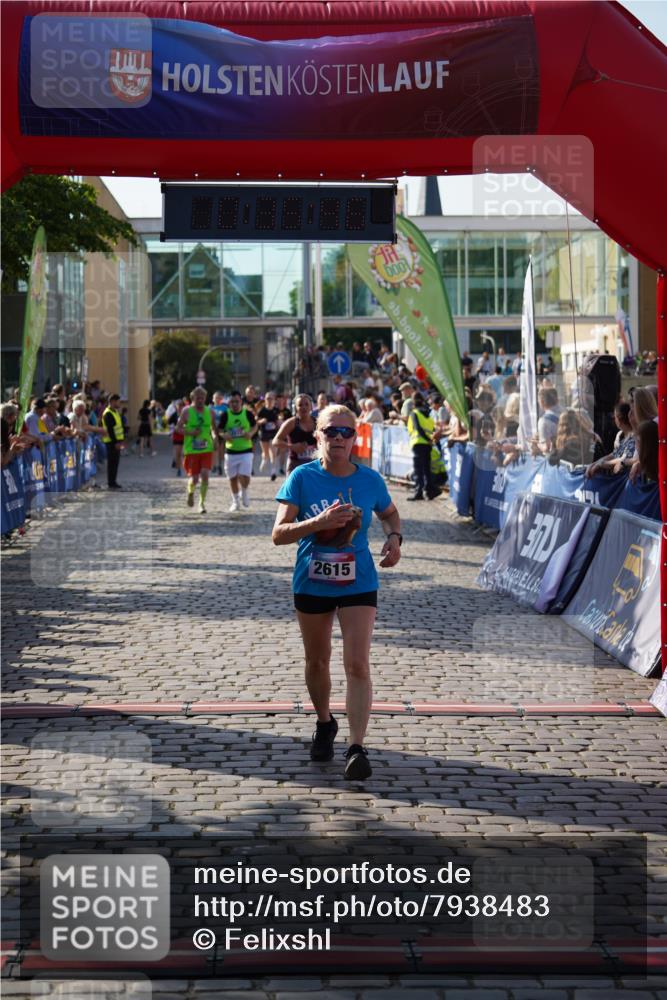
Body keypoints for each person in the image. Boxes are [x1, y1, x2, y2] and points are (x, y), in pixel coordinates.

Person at [272, 404, 402, 780]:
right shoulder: (302, 477)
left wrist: (394, 537)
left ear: (356, 436)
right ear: (318, 435)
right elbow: (279, 534)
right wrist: (319, 522)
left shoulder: (370, 480)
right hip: (312, 580)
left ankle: (357, 746)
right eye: (332, 431)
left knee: (358, 664)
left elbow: (390, 513)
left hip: (358, 580)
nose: (340, 438)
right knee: (317, 661)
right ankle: (325, 721)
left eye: (347, 432)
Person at [177, 387, 216, 513]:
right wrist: (191, 432)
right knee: (194, 479)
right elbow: (178, 429)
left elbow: (214, 429)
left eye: (202, 398)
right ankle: (190, 492)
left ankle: (201, 504)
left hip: (206, 449)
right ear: (192, 398)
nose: (200, 400)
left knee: (205, 475)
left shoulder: (209, 412)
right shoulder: (186, 411)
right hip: (192, 450)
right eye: (197, 398)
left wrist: (215, 439)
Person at [219, 389, 258, 511]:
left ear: (241, 401)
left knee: (244, 476)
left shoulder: (247, 414)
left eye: (236, 401)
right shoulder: (225, 415)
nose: (234, 404)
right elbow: (219, 430)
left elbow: (255, 426)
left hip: (246, 450)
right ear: (229, 403)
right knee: (232, 478)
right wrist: (224, 435)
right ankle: (235, 501)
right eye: (232, 402)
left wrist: (250, 433)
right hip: (230, 451)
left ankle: (244, 491)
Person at [406, 392, 443, 500]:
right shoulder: (428, 415)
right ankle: (430, 490)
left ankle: (419, 493)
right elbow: (432, 430)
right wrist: (430, 440)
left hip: (418, 443)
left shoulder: (415, 413)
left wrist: (426, 439)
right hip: (428, 444)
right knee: (426, 469)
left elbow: (418, 428)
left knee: (418, 469)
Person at [273, 394, 318, 476]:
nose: (304, 407)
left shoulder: (317, 422)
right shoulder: (291, 423)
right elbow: (275, 441)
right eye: (300, 405)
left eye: (306, 404)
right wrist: (292, 446)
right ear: (295, 408)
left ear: (311, 407)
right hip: (295, 465)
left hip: (314, 465)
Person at [102, 393, 125, 490]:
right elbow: (110, 430)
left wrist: (121, 441)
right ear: (112, 402)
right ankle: (111, 482)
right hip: (111, 442)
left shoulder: (115, 412)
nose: (119, 403)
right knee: (112, 463)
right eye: (118, 401)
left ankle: (113, 481)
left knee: (115, 463)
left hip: (117, 441)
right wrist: (116, 442)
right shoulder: (108, 413)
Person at [256, 391, 280, 480]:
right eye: (267, 398)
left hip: (274, 434)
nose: (269, 400)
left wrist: (279, 423)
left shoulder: (276, 410)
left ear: (274, 400)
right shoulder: (262, 410)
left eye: (271, 398)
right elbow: (256, 421)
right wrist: (261, 421)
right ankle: (264, 459)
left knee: (273, 452)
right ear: (265, 400)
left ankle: (273, 472)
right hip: (264, 433)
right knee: (266, 453)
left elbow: (280, 421)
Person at [211, 391, 227, 475]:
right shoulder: (210, 408)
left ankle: (220, 465)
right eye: (216, 398)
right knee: (214, 447)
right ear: (213, 399)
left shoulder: (225, 408)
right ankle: (214, 465)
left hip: (222, 430)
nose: (218, 399)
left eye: (219, 398)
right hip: (213, 430)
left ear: (222, 399)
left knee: (221, 449)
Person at [168, 399, 185, 476]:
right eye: (178, 405)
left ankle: (184, 467)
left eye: (181, 405)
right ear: (176, 406)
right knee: (178, 453)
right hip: (177, 435)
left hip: (185, 435)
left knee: (184, 453)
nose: (180, 407)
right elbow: (169, 423)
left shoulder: (186, 414)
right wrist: (173, 429)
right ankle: (179, 469)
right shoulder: (174, 414)